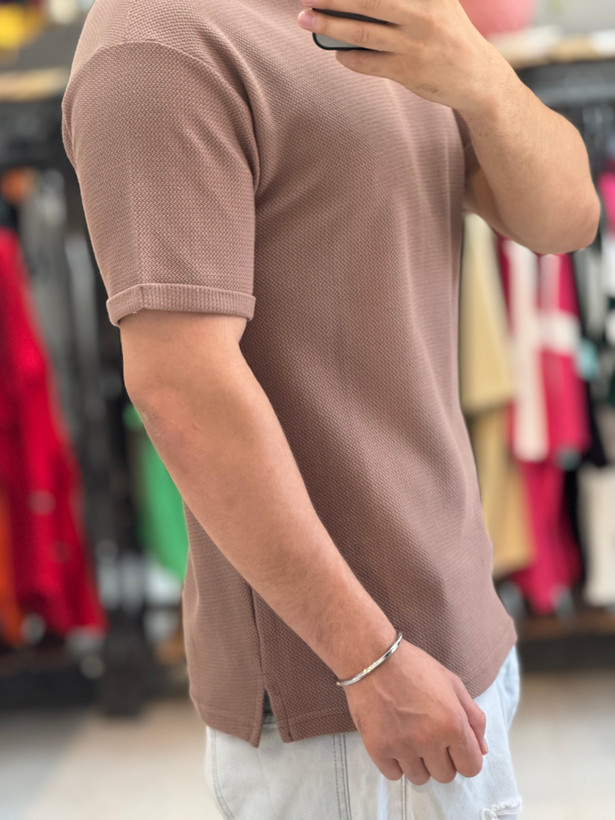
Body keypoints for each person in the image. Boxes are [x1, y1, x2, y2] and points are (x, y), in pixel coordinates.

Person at [61, 0, 600, 815]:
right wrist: (369, 659)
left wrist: (479, 73)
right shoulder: (155, 39)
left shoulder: (380, 12)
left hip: (457, 632)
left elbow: (564, 220)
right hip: (346, 704)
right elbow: (179, 386)